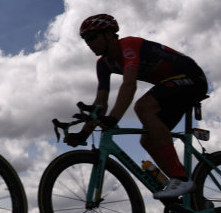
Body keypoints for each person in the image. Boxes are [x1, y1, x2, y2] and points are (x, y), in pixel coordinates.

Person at [67, 14, 209, 199]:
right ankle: (196, 200)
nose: (88, 43)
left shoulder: (129, 46)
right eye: (85, 39)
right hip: (171, 85)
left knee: (143, 106)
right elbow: (100, 102)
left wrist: (113, 119)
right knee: (147, 141)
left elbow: (129, 85)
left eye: (92, 37)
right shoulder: (103, 64)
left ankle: (180, 178)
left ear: (109, 34)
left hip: (192, 78)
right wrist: (83, 133)